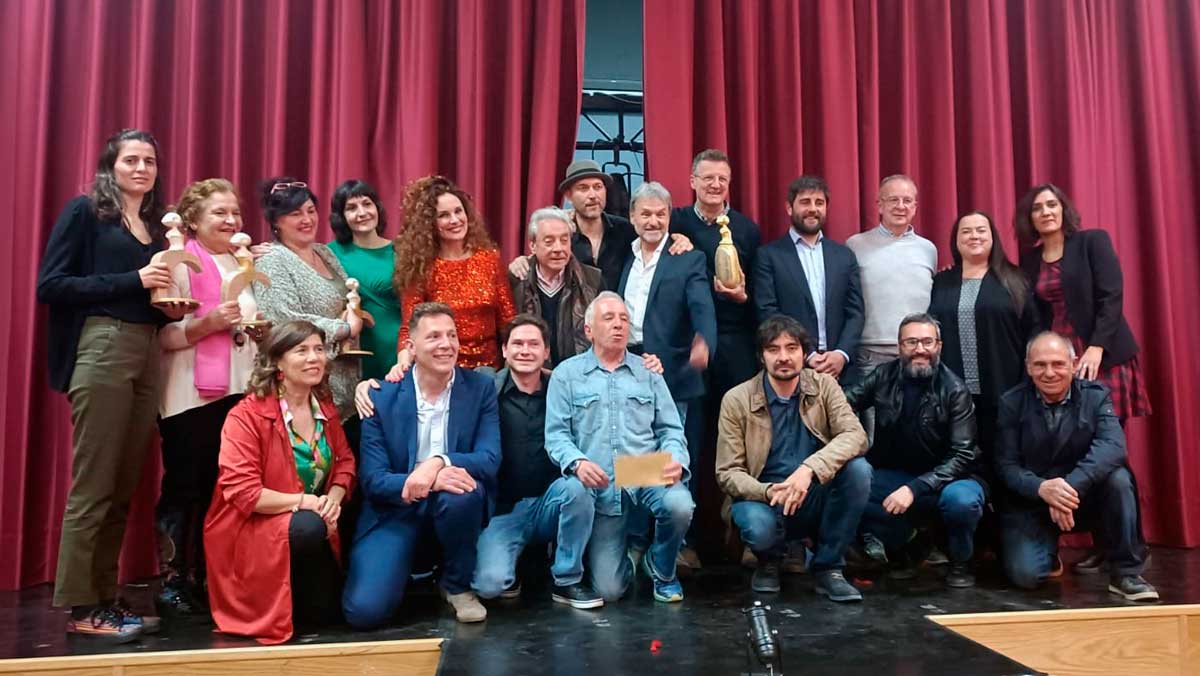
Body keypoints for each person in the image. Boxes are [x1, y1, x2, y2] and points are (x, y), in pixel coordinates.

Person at [37, 128, 185, 641]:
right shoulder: (86, 212)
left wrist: (169, 304)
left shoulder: (153, 227)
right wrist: (134, 281)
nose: (141, 168)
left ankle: (105, 598)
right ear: (111, 165)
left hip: (146, 347)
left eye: (149, 160)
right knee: (94, 485)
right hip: (102, 345)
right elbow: (51, 285)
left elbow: (151, 293)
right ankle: (81, 607)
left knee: (123, 487)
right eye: (131, 160)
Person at [1015, 183, 1152, 575]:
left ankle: (1128, 546)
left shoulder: (1092, 242)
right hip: (1058, 363)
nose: (1045, 212)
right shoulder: (1030, 260)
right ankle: (1101, 543)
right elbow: (1033, 315)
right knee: (1071, 451)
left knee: (1109, 454)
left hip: (1101, 359)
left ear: (1063, 209)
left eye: (1052, 204)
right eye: (1037, 208)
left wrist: (1096, 348)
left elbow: (1112, 296)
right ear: (1030, 218)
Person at [343, 303, 500, 627]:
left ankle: (456, 585)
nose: (446, 344)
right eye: (434, 337)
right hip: (396, 507)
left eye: (451, 335)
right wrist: (428, 480)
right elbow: (373, 479)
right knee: (365, 612)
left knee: (464, 491)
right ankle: (408, 570)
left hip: (452, 502)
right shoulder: (380, 396)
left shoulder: (480, 389)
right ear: (411, 348)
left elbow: (489, 459)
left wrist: (439, 464)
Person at [204, 321, 357, 644]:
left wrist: (333, 496)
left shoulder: (325, 408)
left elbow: (344, 461)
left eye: (318, 349)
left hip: (313, 521)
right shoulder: (245, 416)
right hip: (252, 527)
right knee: (307, 525)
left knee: (329, 615)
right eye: (301, 351)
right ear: (277, 363)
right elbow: (243, 493)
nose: (314, 358)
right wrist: (306, 502)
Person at [544, 292, 694, 603]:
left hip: (643, 469)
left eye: (624, 319)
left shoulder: (648, 372)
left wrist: (676, 459)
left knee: (681, 505)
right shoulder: (566, 375)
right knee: (609, 592)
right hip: (600, 479)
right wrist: (577, 463)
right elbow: (556, 435)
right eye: (608, 318)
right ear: (588, 330)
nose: (618, 325)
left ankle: (661, 568)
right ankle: (626, 559)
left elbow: (671, 429)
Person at [156, 179, 260, 614]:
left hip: (240, 395)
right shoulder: (177, 262)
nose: (231, 220)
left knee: (225, 488)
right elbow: (162, 336)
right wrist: (210, 323)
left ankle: (210, 575)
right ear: (193, 220)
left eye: (234, 212)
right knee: (187, 487)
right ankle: (175, 579)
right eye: (219, 213)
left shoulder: (243, 262)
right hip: (189, 398)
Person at [715, 315, 870, 600]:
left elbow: (855, 436)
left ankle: (829, 569)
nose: (783, 357)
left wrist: (809, 470)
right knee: (757, 525)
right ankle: (768, 562)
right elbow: (728, 472)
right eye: (773, 349)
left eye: (791, 348)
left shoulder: (824, 386)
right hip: (763, 499)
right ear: (761, 356)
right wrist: (768, 490)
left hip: (810, 493)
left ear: (804, 353)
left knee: (858, 471)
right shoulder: (737, 399)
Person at [995, 332, 1157, 601]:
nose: (1049, 373)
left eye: (1058, 364)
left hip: (1083, 499)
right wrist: (1042, 489)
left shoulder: (1097, 397)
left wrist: (1067, 488)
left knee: (1118, 478)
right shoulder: (1011, 403)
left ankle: (1126, 573)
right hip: (1033, 502)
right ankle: (1048, 553)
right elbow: (1005, 465)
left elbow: (1113, 447)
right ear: (1028, 367)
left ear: (1073, 364)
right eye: (1040, 365)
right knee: (1025, 575)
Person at [843, 313, 986, 587]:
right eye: (911, 342)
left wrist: (914, 488)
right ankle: (902, 546)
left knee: (962, 502)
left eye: (927, 342)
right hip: (895, 475)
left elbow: (962, 455)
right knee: (846, 483)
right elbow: (844, 405)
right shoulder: (883, 375)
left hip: (951, 480)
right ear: (899, 347)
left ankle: (960, 562)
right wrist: (850, 439)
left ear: (939, 346)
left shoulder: (955, 390)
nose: (920, 349)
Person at [472, 315, 603, 609]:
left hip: (551, 502)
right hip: (504, 511)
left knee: (578, 489)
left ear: (546, 352)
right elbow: (440, 378)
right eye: (517, 344)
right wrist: (382, 379)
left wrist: (648, 365)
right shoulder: (485, 388)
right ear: (504, 350)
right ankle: (512, 568)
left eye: (534, 344)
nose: (525, 350)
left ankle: (567, 580)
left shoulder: (565, 388)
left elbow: (608, 387)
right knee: (489, 585)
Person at [929, 210, 1037, 462]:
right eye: (965, 231)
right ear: (956, 240)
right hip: (953, 395)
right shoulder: (941, 281)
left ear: (993, 237)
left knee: (1003, 463)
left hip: (1005, 391)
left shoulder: (1016, 280)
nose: (973, 236)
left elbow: (1033, 332)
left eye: (981, 230)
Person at [254, 178, 362, 422]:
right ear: (275, 222)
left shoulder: (325, 252)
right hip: (303, 390)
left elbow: (346, 300)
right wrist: (344, 328)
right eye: (295, 214)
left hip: (344, 386)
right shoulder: (271, 261)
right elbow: (282, 320)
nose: (307, 220)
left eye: (311, 211)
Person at [391, 176, 515, 374]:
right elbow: (410, 327)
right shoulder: (420, 267)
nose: (455, 220)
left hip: (490, 373)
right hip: (440, 371)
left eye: (458, 211)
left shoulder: (490, 259)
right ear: (429, 224)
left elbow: (508, 320)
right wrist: (403, 363)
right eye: (444, 215)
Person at [509, 160, 693, 291]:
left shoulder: (626, 230)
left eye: (598, 187)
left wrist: (678, 239)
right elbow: (540, 262)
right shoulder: (563, 235)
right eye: (583, 188)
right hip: (574, 332)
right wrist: (522, 262)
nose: (592, 195)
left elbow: (654, 240)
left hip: (618, 330)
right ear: (568, 195)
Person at [754, 175, 863, 383]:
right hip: (792, 369)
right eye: (805, 202)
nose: (813, 209)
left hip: (842, 371)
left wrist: (841, 354)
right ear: (789, 208)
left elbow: (855, 312)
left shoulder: (844, 255)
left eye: (819, 203)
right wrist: (807, 354)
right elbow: (767, 311)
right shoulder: (769, 256)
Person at [846, 175, 937, 389]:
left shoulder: (928, 249)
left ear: (915, 207)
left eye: (907, 200)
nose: (900, 206)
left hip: (918, 352)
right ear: (879, 205)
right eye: (893, 200)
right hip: (870, 354)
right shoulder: (855, 245)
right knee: (873, 421)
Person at [326, 179, 402, 381]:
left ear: (377, 207)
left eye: (367, 204)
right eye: (351, 208)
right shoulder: (328, 254)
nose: (362, 213)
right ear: (341, 216)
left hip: (399, 354)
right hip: (352, 354)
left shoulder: (401, 251)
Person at [507, 207, 602, 366]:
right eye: (549, 241)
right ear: (533, 246)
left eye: (564, 240)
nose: (558, 249)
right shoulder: (516, 280)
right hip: (529, 376)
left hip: (578, 375)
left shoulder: (593, 280)